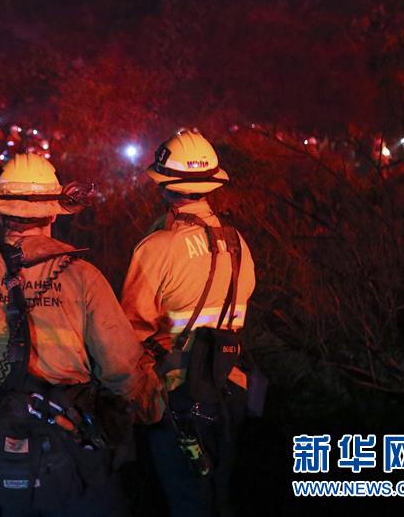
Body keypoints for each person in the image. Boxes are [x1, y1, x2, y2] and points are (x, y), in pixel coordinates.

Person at [0, 153, 160, 517]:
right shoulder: (81, 276)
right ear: (53, 212)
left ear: (0, 211)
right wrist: (144, 407)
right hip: (68, 448)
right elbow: (122, 367)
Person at [121, 130, 256, 517]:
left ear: (164, 186)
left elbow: (131, 328)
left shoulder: (157, 247)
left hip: (177, 396)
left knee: (185, 500)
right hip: (231, 388)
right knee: (221, 496)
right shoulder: (239, 244)